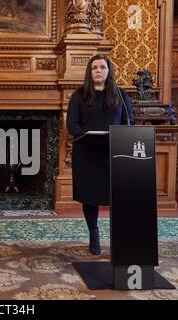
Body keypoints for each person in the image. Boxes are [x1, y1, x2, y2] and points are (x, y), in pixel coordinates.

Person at [66, 54, 133, 255]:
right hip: (87, 153)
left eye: (102, 67)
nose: (98, 71)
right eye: (94, 67)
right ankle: (94, 236)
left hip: (113, 153)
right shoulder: (79, 95)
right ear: (89, 71)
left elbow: (127, 122)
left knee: (117, 197)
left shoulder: (120, 94)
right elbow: (72, 125)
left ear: (108, 71)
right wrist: (87, 136)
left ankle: (119, 237)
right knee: (91, 197)